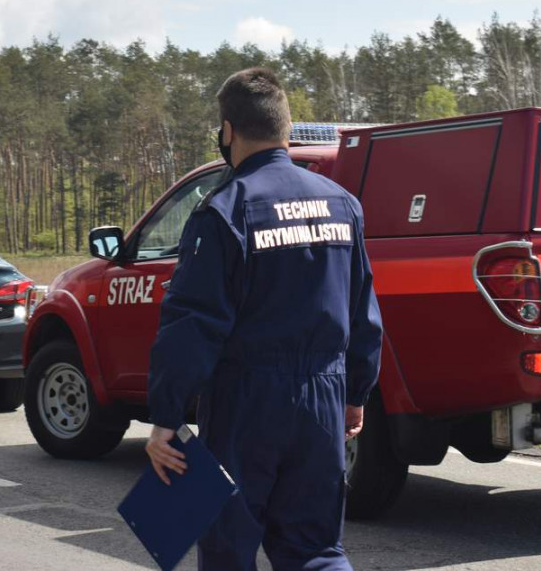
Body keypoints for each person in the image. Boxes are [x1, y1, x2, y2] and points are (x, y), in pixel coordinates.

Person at [145, 67, 383, 571]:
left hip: (246, 402)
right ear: (285, 128)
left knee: (228, 550)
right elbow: (364, 310)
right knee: (316, 549)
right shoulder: (343, 206)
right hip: (324, 397)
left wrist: (166, 417)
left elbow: (192, 324)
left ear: (227, 131)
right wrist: (356, 394)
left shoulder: (226, 211)